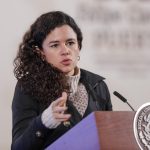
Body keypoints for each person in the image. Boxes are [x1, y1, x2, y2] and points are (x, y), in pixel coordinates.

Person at [11, 11, 112, 150]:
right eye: (54, 45)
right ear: (41, 52)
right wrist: (43, 122)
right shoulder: (27, 86)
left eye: (70, 43)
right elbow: (18, 148)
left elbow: (109, 138)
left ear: (79, 46)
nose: (65, 51)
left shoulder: (98, 86)